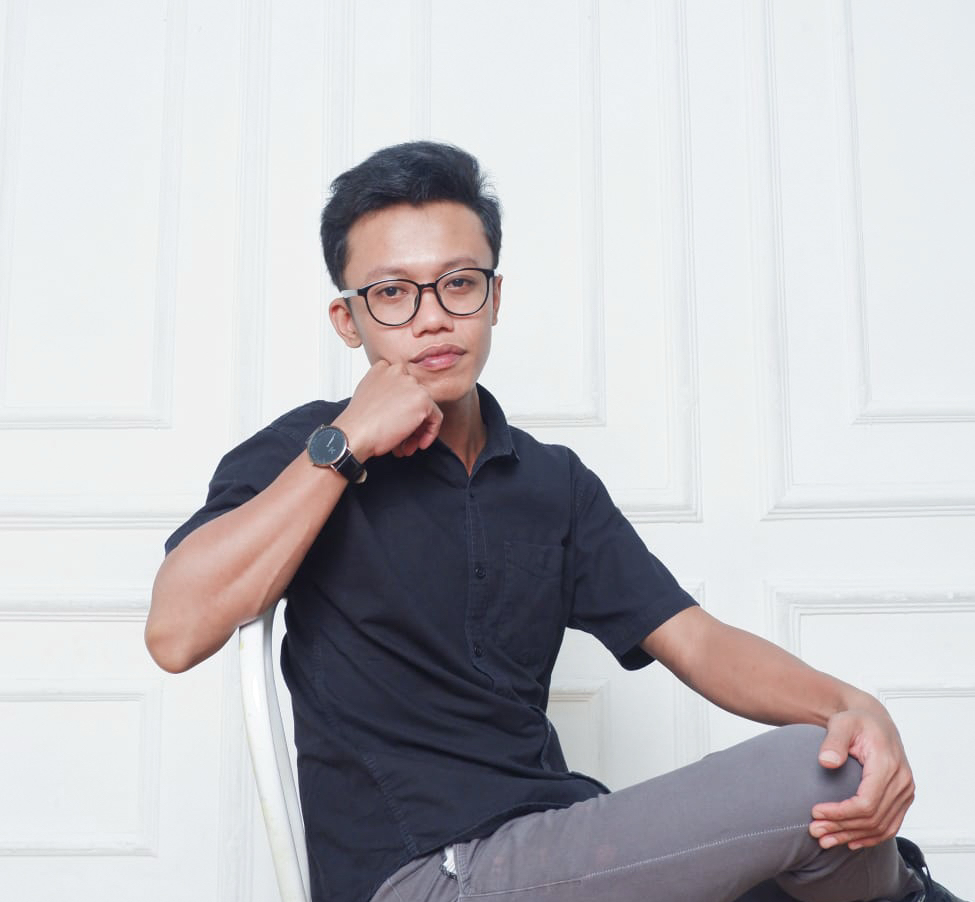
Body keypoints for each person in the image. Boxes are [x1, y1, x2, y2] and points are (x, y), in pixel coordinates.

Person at [146, 141, 966, 902]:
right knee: (815, 778)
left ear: (493, 297)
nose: (431, 317)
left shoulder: (551, 483)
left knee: (843, 783)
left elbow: (696, 640)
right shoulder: (306, 450)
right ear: (347, 319)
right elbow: (176, 633)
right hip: (420, 872)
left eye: (457, 282)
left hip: (556, 842)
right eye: (392, 293)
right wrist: (347, 441)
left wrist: (852, 704)